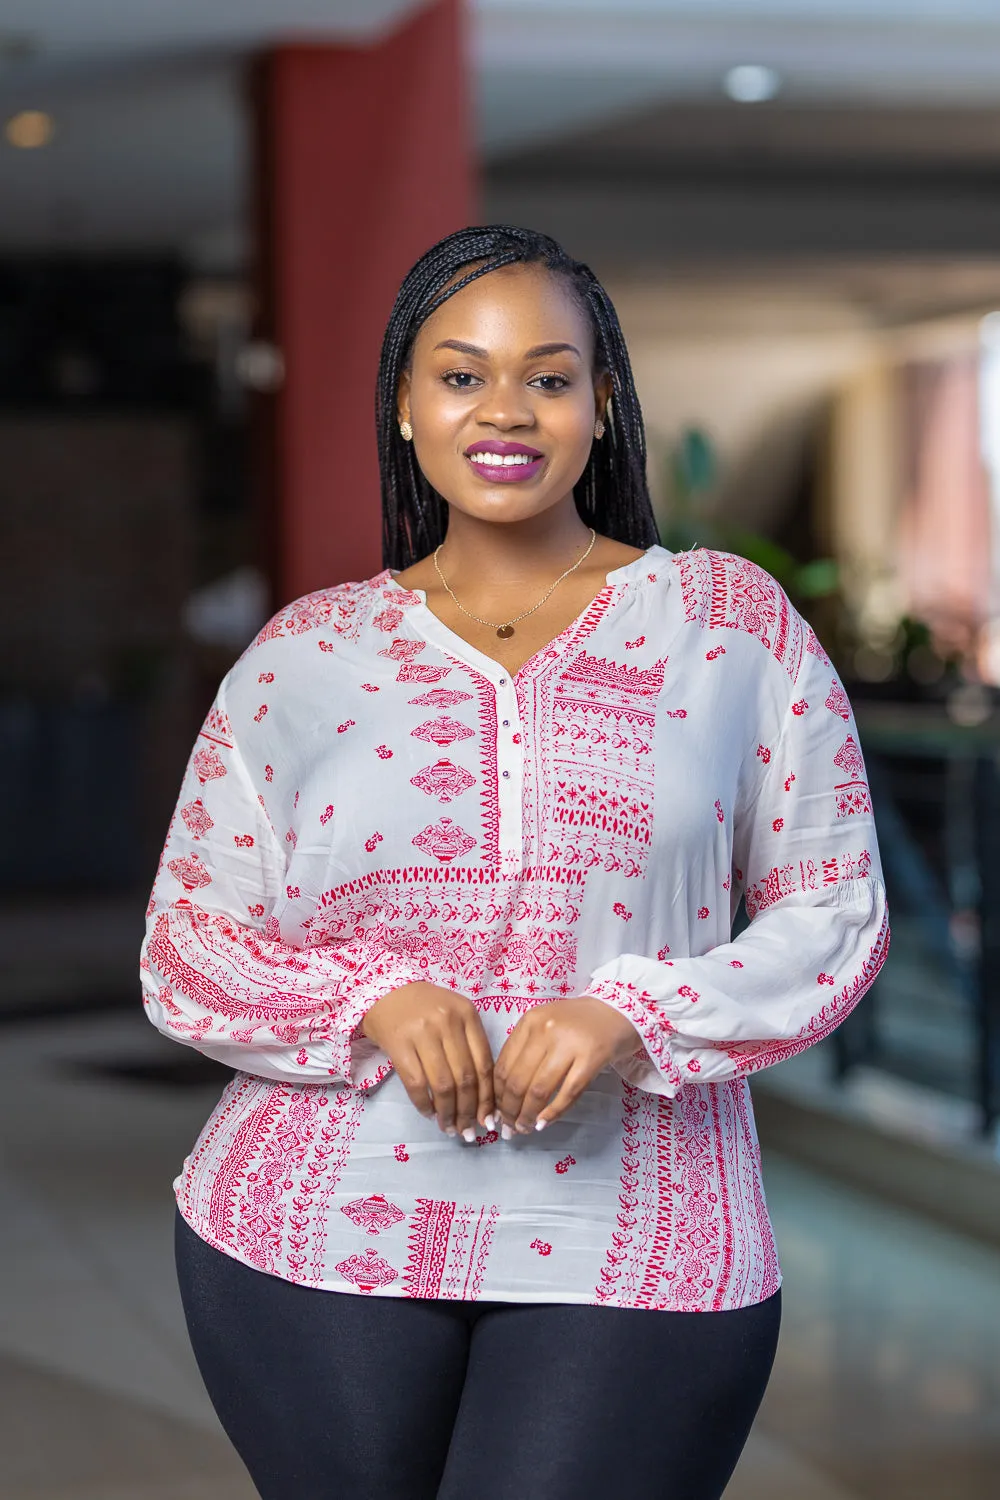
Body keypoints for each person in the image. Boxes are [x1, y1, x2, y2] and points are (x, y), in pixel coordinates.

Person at [141, 224, 889, 1500]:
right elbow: (188, 941)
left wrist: (631, 1012)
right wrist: (366, 998)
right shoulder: (304, 655)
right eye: (460, 374)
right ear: (406, 405)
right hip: (310, 1230)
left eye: (547, 377)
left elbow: (834, 910)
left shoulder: (728, 625)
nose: (505, 411)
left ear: (601, 404)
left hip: (641, 1227)